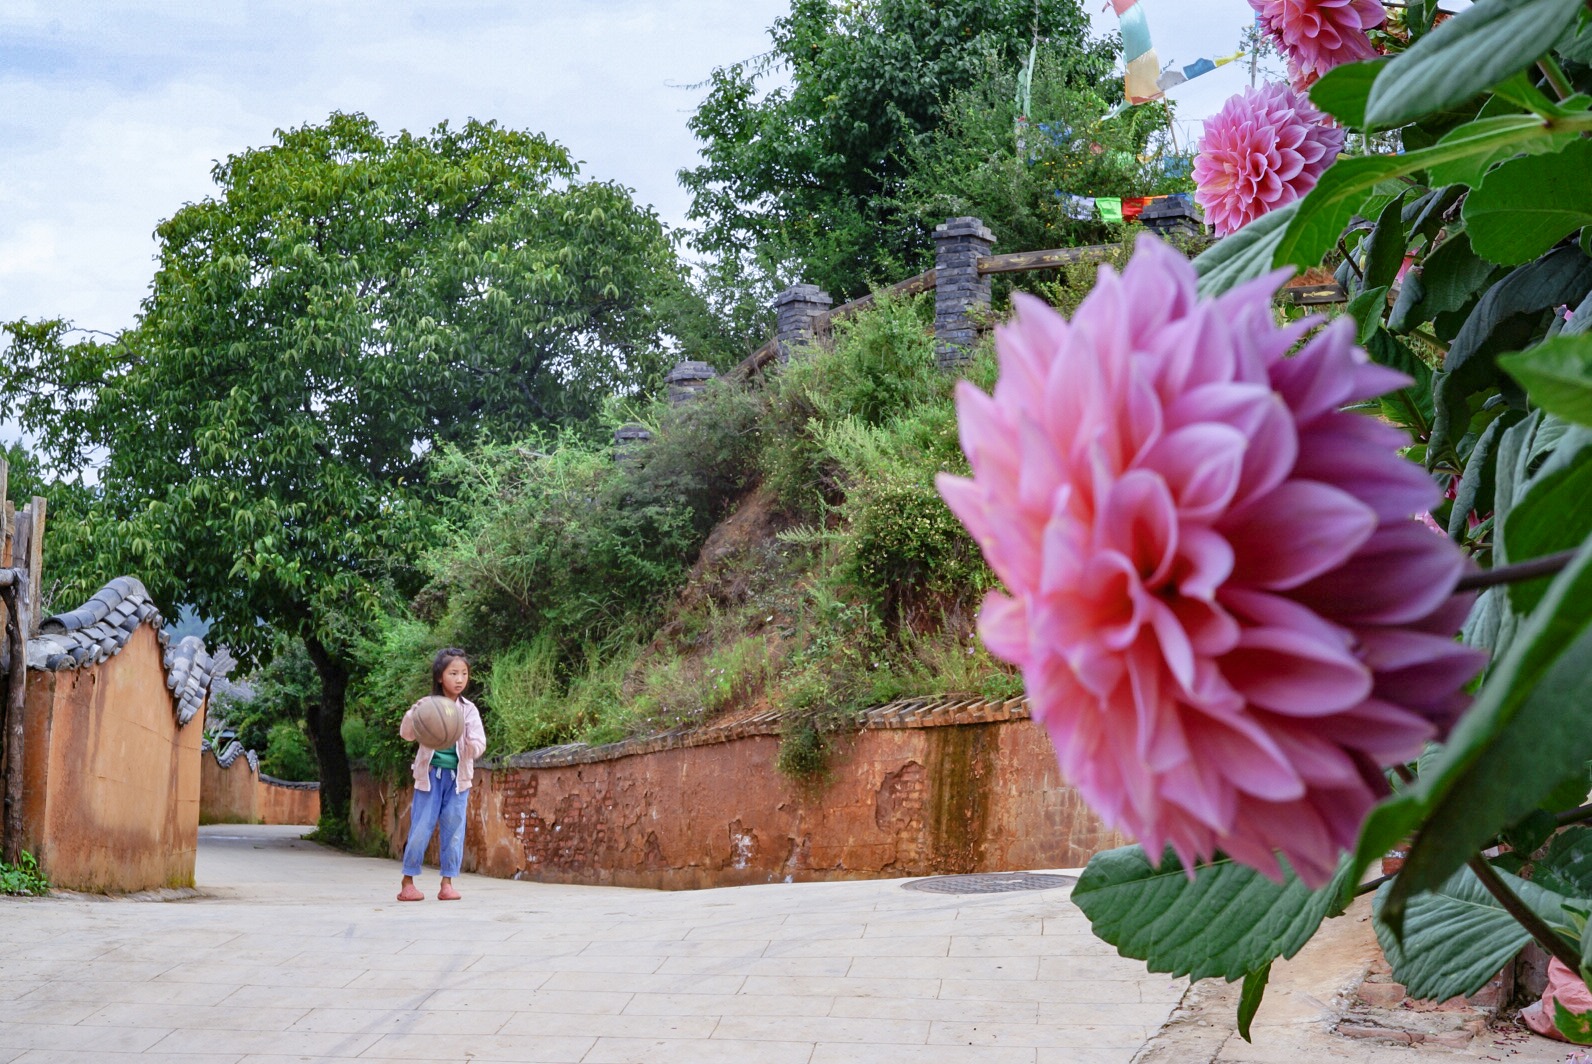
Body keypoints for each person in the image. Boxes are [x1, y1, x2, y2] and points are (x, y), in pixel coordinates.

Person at [396, 648, 487, 902]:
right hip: (430, 777)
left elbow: (480, 742)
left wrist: (471, 746)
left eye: (464, 673)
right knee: (421, 828)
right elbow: (407, 734)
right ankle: (408, 881)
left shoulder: (468, 710)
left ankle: (447, 882)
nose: (460, 679)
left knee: (454, 829)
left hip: (459, 780)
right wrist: (413, 712)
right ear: (440, 676)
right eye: (453, 673)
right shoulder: (427, 706)